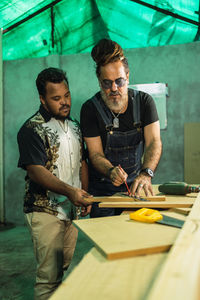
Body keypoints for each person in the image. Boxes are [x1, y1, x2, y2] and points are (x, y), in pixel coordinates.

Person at [17, 67, 91, 300]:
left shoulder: (76, 127)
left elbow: (82, 162)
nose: (64, 102)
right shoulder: (31, 129)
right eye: (56, 98)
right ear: (42, 99)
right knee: (48, 278)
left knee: (62, 269)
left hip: (71, 209)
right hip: (43, 210)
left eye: (67, 95)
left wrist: (84, 194)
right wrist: (72, 192)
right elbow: (37, 171)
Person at [80, 39, 162, 218]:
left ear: (128, 76)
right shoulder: (89, 109)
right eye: (106, 83)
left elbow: (154, 142)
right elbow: (95, 154)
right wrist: (110, 171)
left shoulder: (145, 102)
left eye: (119, 81)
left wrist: (146, 173)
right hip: (101, 192)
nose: (114, 89)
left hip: (134, 189)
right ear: (99, 81)